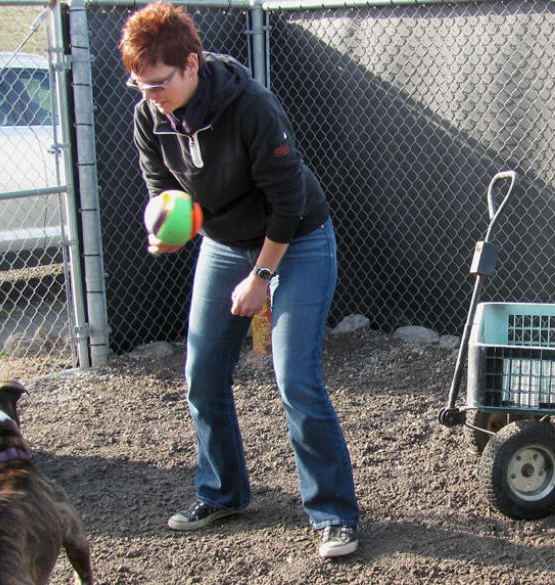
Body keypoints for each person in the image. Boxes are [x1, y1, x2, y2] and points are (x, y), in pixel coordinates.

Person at [119, 2, 359, 558]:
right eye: (138, 85)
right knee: (202, 374)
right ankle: (223, 492)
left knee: (295, 376)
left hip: (296, 239)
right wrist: (168, 229)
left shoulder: (251, 105)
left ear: (192, 64)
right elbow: (163, 189)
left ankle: (333, 514)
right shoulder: (147, 114)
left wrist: (261, 278)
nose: (148, 96)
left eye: (157, 84)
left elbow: (287, 199)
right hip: (225, 242)